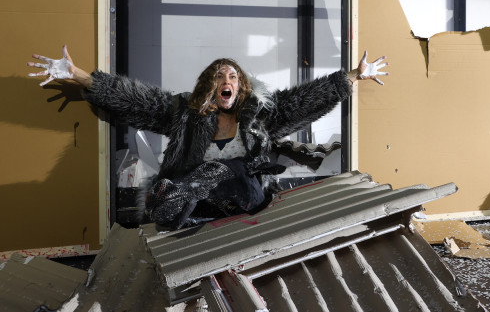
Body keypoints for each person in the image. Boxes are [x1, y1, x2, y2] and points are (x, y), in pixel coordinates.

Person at [28, 45, 389, 229]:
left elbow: (304, 100)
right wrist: (78, 75)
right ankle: (174, 203)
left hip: (247, 196)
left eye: (232, 76)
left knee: (228, 169)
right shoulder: (185, 114)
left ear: (241, 86)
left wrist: (353, 76)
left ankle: (184, 190)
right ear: (209, 86)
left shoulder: (261, 115)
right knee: (163, 205)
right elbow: (134, 98)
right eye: (218, 77)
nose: (226, 81)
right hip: (198, 204)